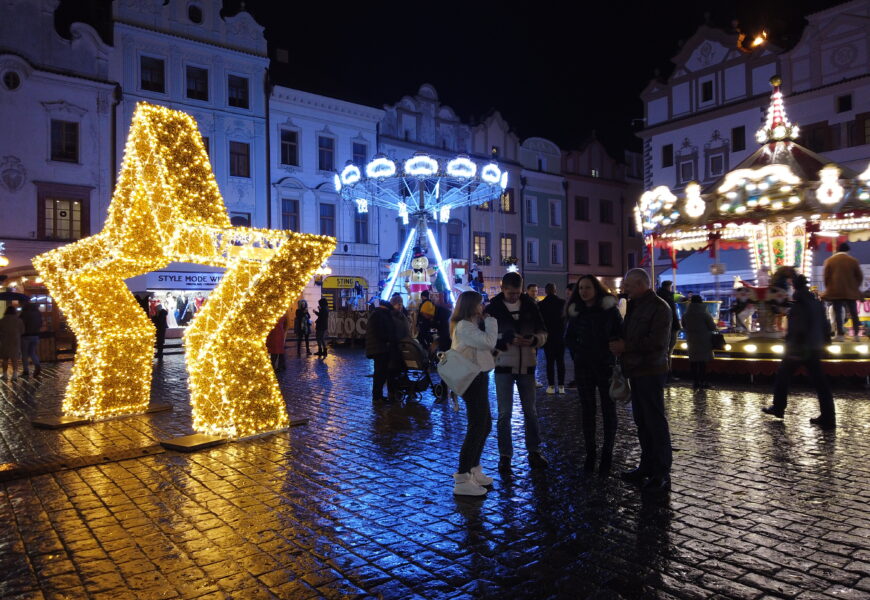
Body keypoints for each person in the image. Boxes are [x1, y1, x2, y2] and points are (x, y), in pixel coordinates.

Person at [609, 268, 673, 494]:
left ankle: (661, 471)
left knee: (654, 420)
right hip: (637, 369)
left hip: (651, 370)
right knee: (642, 420)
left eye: (628, 285)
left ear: (639, 285)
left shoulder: (658, 307)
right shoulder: (637, 306)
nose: (624, 289)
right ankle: (647, 466)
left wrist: (626, 347)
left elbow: (657, 341)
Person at [485, 271, 549, 471]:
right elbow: (486, 339)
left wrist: (534, 340)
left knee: (530, 411)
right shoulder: (493, 308)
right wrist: (506, 340)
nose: (513, 296)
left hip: (527, 365)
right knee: (504, 414)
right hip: (503, 365)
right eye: (510, 293)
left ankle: (534, 451)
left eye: (516, 293)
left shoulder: (531, 305)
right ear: (503, 289)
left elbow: (543, 332)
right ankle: (505, 455)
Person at [762, 275, 836, 429]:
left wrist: (792, 347)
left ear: (794, 286)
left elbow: (797, 328)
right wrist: (825, 343)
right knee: (821, 383)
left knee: (783, 377)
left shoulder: (798, 305)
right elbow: (825, 325)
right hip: (815, 347)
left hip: (799, 349)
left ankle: (778, 407)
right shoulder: (817, 303)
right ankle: (829, 415)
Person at [566, 275, 623, 472]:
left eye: (587, 287)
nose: (583, 291)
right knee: (587, 410)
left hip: (605, 365)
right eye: (581, 288)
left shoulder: (609, 310)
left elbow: (619, 333)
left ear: (596, 289)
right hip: (583, 366)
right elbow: (569, 338)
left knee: (608, 409)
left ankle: (607, 452)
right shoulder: (576, 312)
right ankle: (591, 451)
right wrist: (577, 354)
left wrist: (610, 351)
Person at [450, 290, 499, 496]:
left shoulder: (469, 326)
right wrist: (492, 321)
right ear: (472, 306)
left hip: (479, 377)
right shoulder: (464, 327)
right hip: (472, 380)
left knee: (484, 424)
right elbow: (489, 342)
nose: (483, 307)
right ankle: (462, 478)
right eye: (480, 304)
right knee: (477, 426)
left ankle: (473, 469)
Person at [822, 242, 864, 341]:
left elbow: (826, 278)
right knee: (854, 313)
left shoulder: (829, 261)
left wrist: (829, 287)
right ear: (847, 250)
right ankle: (857, 335)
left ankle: (840, 335)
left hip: (835, 291)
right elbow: (860, 277)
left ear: (837, 250)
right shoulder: (853, 261)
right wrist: (854, 287)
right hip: (850, 292)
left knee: (838, 313)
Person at [681, 295, 718, 391]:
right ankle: (703, 382)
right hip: (704, 340)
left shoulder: (686, 314)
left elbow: (684, 325)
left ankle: (695, 382)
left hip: (691, 340)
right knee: (702, 363)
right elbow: (712, 327)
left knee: (693, 362)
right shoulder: (705, 314)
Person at [537, 283, 566, 394]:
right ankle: (562, 386)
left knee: (549, 362)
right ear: (555, 290)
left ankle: (551, 386)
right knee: (560, 361)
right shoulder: (562, 303)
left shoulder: (541, 304)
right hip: (560, 336)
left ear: (546, 291)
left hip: (548, 337)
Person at [365, 300, 396, 402]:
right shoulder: (381, 315)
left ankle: (378, 395)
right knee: (380, 373)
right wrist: (388, 340)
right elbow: (382, 332)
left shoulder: (377, 314)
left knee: (380, 372)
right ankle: (377, 396)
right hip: (380, 348)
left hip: (378, 347)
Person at [656, 280, 681, 380]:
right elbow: (673, 313)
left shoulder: (658, 296)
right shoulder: (668, 297)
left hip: (663, 327)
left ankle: (665, 374)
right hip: (671, 326)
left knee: (664, 352)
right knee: (668, 351)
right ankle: (667, 374)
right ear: (669, 287)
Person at [0, 306, 25, 379]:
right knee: (14, 358)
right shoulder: (18, 320)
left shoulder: (2, 320)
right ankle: (15, 374)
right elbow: (23, 331)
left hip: (4, 341)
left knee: (5, 359)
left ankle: (5, 374)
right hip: (15, 341)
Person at [19, 302, 42, 376]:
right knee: (32, 352)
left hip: (25, 336)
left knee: (24, 354)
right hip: (35, 335)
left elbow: (21, 324)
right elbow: (40, 324)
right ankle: (37, 364)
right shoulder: (38, 313)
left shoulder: (24, 314)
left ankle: (26, 370)